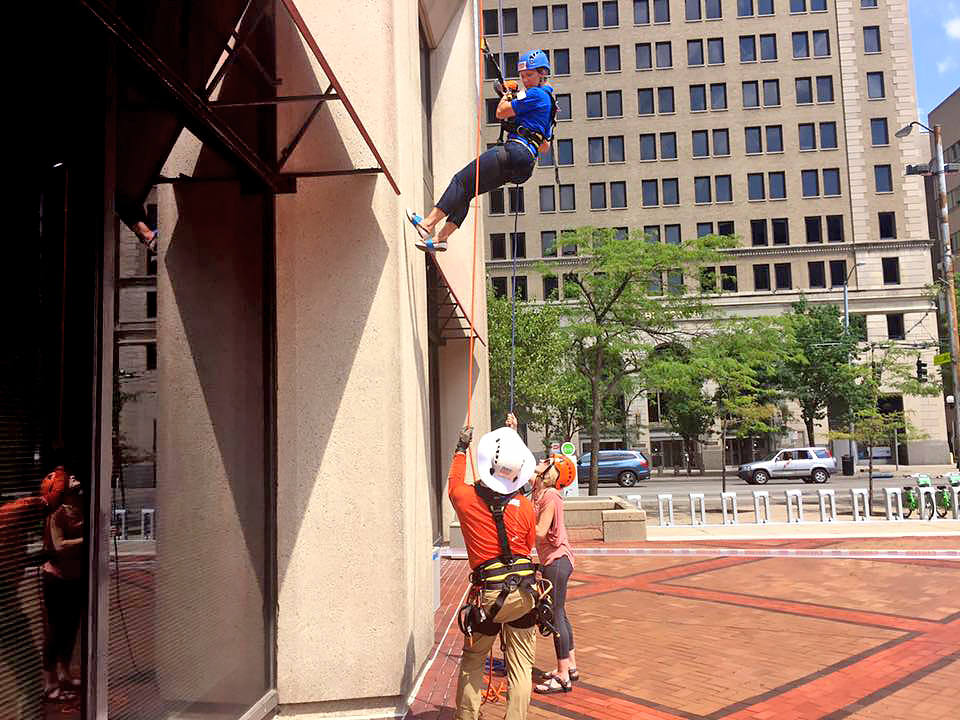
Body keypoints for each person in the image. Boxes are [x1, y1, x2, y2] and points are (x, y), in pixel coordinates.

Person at [406, 49, 557, 252]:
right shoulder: (549, 103)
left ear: (542, 73)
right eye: (522, 76)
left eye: (529, 75)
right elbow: (545, 146)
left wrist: (506, 96)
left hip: (514, 152)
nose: (525, 79)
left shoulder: (534, 93)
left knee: (460, 181)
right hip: (525, 165)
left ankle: (427, 224)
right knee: (467, 191)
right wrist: (519, 124)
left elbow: (501, 111)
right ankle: (441, 238)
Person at [449, 421, 540, 719]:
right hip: (525, 593)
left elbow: (453, 484)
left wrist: (462, 448)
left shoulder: (466, 500)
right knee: (521, 666)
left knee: (474, 660)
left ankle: (467, 716)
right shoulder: (525, 506)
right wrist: (511, 434)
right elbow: (525, 547)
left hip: (489, 596)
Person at [41, 473, 84, 701]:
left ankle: (64, 673)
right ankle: (50, 683)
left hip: (74, 579)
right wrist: (89, 538)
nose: (76, 478)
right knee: (55, 631)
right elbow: (59, 545)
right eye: (71, 478)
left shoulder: (80, 507)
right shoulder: (58, 514)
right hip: (57, 579)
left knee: (71, 629)